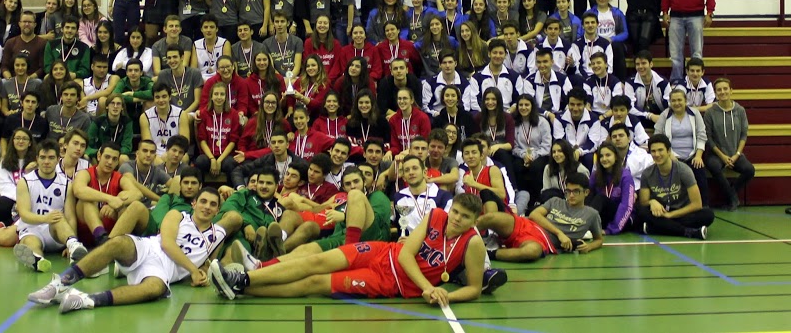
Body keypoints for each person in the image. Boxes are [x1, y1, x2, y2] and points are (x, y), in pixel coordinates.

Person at [209, 193, 504, 302]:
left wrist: (445, 296)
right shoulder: (436, 215)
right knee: (318, 260)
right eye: (456, 213)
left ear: (474, 220)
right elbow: (404, 253)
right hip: (381, 252)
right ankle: (247, 276)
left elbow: (474, 289)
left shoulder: (473, 243)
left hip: (391, 282)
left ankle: (241, 287)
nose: (457, 220)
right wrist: (427, 286)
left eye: (465, 218)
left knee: (315, 282)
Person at [28, 188, 226, 313]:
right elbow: (167, 243)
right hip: (148, 249)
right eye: (203, 201)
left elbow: (210, 264)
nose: (207, 207)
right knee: (117, 243)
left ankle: (85, 300)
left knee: (155, 289)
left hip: (162, 272)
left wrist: (201, 276)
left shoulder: (218, 235)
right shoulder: (178, 215)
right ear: (194, 203)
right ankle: (60, 285)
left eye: (213, 204)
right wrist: (192, 269)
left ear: (218, 210)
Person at [477, 172, 602, 262]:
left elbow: (599, 239)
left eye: (576, 191)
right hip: (525, 225)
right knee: (490, 217)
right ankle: (463, 237)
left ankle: (487, 254)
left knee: (531, 252)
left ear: (586, 192)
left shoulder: (591, 214)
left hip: (542, 241)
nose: (571, 195)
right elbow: (534, 215)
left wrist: (589, 246)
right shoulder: (556, 201)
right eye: (568, 191)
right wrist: (559, 233)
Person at [8, 139, 87, 271]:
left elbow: (71, 217)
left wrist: (70, 239)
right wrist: (45, 218)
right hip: (32, 230)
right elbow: (24, 214)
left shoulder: (66, 184)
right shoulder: (25, 182)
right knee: (30, 243)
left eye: (51, 158)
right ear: (37, 159)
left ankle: (73, 245)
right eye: (43, 157)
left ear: (57, 159)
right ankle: (38, 260)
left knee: (59, 217)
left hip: (56, 232)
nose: (46, 162)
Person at [637, 134, 714, 239]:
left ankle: (655, 228)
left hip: (681, 213)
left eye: (660, 150)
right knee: (640, 211)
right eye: (653, 151)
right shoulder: (647, 173)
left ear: (668, 151)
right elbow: (643, 201)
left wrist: (670, 215)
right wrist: (652, 202)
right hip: (660, 213)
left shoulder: (684, 170)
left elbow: (697, 204)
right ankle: (688, 232)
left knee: (708, 214)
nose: (657, 154)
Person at [703, 78, 754, 211]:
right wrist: (723, 156)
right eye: (719, 90)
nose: (722, 92)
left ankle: (731, 193)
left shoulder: (740, 110)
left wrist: (737, 154)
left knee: (750, 170)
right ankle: (732, 198)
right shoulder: (710, 112)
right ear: (715, 93)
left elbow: (744, 134)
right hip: (716, 154)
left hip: (735, 153)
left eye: (725, 89)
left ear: (731, 91)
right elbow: (708, 137)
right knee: (714, 166)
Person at [654, 87, 709, 203]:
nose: (676, 103)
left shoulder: (695, 113)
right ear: (670, 102)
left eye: (679, 100)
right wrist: (669, 156)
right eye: (673, 101)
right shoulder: (664, 115)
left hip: (693, 156)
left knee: (700, 175)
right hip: (672, 157)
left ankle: (704, 207)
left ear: (685, 101)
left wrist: (698, 156)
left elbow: (702, 135)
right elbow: (657, 137)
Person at [70, 144, 128, 246]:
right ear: (99, 156)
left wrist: (116, 203)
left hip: (111, 232)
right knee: (87, 200)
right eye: (107, 157)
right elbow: (78, 190)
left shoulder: (119, 177)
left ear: (117, 162)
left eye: (114, 159)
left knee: (126, 204)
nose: (110, 162)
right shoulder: (85, 173)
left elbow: (136, 193)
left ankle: (112, 242)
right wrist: (110, 199)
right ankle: (100, 236)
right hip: (85, 231)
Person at [193, 83, 241, 182]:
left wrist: (219, 160)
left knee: (230, 163)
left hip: (225, 155)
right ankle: (199, 191)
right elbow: (202, 140)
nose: (219, 97)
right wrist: (212, 158)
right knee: (200, 161)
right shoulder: (204, 113)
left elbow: (233, 141)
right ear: (211, 96)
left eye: (222, 94)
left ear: (226, 97)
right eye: (216, 94)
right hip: (208, 154)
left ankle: (229, 192)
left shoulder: (233, 114)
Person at [511, 95, 553, 205]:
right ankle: (522, 200)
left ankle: (537, 200)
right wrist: (524, 155)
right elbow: (514, 146)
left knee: (536, 167)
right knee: (517, 166)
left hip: (541, 155)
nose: (523, 108)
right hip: (522, 155)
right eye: (521, 105)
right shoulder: (514, 123)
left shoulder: (542, 122)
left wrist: (532, 156)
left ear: (532, 106)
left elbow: (547, 146)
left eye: (526, 105)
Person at [587, 143, 635, 235]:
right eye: (601, 156)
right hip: (604, 217)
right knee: (589, 195)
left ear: (616, 157)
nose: (604, 159)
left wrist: (611, 229)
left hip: (623, 219)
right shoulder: (596, 175)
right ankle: (583, 225)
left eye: (608, 155)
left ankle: (585, 226)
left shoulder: (625, 176)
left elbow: (627, 205)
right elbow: (587, 197)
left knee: (601, 198)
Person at [584, 0, 629, 80]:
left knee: (617, 47)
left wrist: (612, 39)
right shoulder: (589, 13)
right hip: (595, 42)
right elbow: (582, 32)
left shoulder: (617, 13)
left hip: (612, 43)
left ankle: (621, 81)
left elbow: (625, 33)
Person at [518, 48, 573, 121]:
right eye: (539, 62)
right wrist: (548, 114)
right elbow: (530, 105)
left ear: (552, 62)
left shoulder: (562, 79)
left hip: (559, 116)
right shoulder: (529, 81)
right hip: (538, 116)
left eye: (545, 62)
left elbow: (570, 100)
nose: (542, 65)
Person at [552, 88, 599, 170]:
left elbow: (593, 143)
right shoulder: (559, 118)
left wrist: (579, 151)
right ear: (568, 105)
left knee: (589, 158)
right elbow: (559, 141)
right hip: (565, 152)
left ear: (585, 105)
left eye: (579, 104)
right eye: (572, 104)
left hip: (584, 153)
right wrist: (570, 153)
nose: (575, 108)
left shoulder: (594, 119)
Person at [139, 82, 190, 159]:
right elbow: (148, 145)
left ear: (169, 97)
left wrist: (169, 154)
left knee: (185, 157)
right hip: (154, 155)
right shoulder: (145, 117)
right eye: (157, 97)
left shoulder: (181, 114)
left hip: (175, 152)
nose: (161, 100)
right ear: (153, 98)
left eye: (164, 96)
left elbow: (184, 143)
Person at [468, 39, 518, 112]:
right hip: (484, 115)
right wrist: (487, 115)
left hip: (507, 115)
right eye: (495, 53)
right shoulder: (477, 78)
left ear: (506, 55)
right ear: (489, 54)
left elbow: (518, 100)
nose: (498, 56)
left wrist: (508, 113)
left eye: (501, 53)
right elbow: (474, 102)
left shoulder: (514, 76)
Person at [625, 51, 671, 129]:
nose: (640, 67)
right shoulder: (630, 83)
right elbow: (630, 107)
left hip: (660, 117)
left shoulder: (663, 82)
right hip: (640, 117)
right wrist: (650, 116)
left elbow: (670, 105)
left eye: (643, 63)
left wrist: (662, 117)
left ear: (651, 64)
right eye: (637, 64)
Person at [156, 44, 203, 118]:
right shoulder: (163, 75)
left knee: (187, 119)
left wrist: (182, 115)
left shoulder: (194, 73)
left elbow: (197, 101)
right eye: (169, 58)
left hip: (190, 113)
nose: (172, 61)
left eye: (175, 57)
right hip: (170, 114)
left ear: (182, 57)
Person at [1, 11, 46, 81]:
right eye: (24, 22)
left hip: (34, 81)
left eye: (30, 22)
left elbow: (43, 68)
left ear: (35, 24)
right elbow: (4, 66)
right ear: (19, 24)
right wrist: (10, 80)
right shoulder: (10, 42)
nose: (27, 24)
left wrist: (29, 79)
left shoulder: (42, 43)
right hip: (13, 80)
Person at [568, 12, 614, 79]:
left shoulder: (605, 43)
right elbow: (577, 67)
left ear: (597, 24)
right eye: (587, 23)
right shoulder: (576, 44)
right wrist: (588, 79)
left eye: (592, 22)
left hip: (602, 78)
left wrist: (601, 78)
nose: (590, 25)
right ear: (583, 26)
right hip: (584, 78)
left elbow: (609, 66)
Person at [87, 93, 133, 160]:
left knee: (124, 158)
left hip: (117, 155)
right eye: (112, 103)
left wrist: (115, 152)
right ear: (107, 106)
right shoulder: (98, 121)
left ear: (122, 107)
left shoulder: (127, 122)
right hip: (99, 155)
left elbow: (127, 147)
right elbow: (88, 144)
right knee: (87, 156)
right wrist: (97, 152)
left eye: (118, 104)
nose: (115, 106)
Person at [43, 16, 90, 80]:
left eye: (73, 28)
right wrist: (57, 73)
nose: (70, 30)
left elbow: (85, 70)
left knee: (79, 82)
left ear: (77, 31)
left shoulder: (84, 47)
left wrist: (75, 74)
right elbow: (47, 66)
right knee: (46, 78)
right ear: (62, 29)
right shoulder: (51, 44)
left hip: (73, 78)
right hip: (55, 77)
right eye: (67, 27)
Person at [192, 16, 232, 82]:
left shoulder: (224, 43)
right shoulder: (196, 45)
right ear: (201, 29)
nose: (208, 30)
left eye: (212, 27)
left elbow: (227, 66)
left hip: (220, 79)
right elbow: (193, 69)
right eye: (205, 27)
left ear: (217, 29)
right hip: (201, 80)